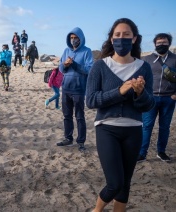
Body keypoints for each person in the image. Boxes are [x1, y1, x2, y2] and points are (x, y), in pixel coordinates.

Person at [86, 18, 155, 212]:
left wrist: (141, 93)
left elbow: (148, 106)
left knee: (125, 183)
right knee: (114, 183)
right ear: (111, 38)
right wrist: (120, 91)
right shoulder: (100, 66)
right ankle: (96, 210)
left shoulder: (144, 67)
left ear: (134, 39)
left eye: (126, 35)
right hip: (107, 129)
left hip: (133, 130)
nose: (121, 39)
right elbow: (91, 100)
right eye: (117, 35)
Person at [138, 33, 176, 162]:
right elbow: (140, 77)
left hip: (169, 99)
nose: (161, 45)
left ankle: (161, 152)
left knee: (164, 127)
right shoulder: (147, 59)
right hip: (151, 98)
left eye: (164, 42)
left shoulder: (174, 59)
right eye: (159, 43)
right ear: (155, 44)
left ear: (169, 43)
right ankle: (142, 153)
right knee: (147, 126)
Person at [56, 27, 93, 152]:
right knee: (67, 115)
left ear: (80, 38)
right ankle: (68, 138)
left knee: (79, 116)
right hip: (65, 88)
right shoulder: (66, 50)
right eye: (71, 38)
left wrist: (75, 64)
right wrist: (65, 65)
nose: (73, 40)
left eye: (75, 38)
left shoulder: (87, 51)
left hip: (79, 89)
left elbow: (89, 69)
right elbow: (60, 68)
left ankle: (81, 141)